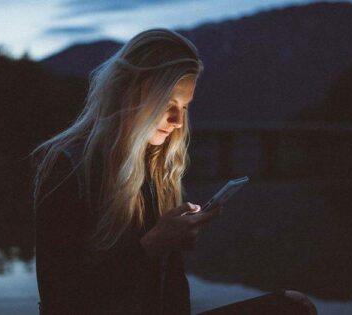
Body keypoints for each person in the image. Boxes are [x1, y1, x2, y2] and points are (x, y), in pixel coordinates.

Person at [30, 28, 317, 315]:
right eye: (168, 104)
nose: (178, 121)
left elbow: (173, 292)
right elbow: (61, 300)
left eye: (184, 106)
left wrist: (170, 243)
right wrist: (153, 245)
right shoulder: (69, 166)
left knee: (294, 306)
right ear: (130, 91)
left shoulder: (154, 166)